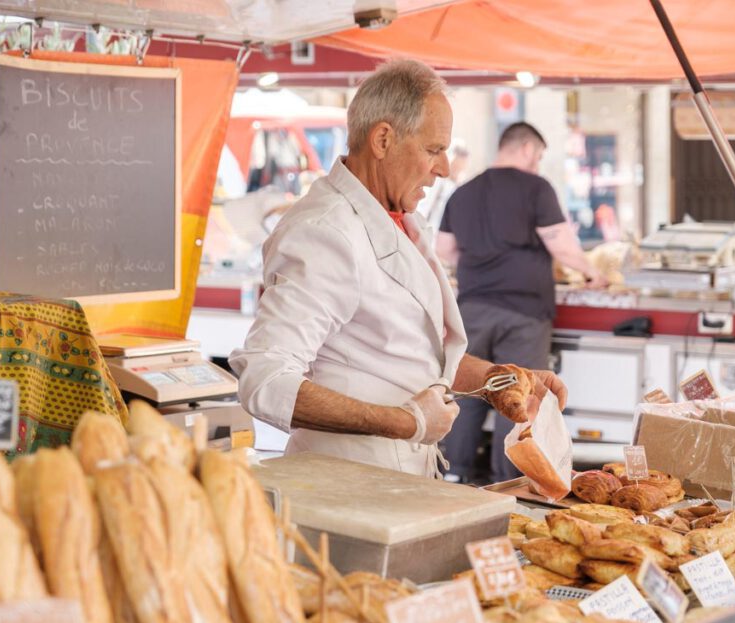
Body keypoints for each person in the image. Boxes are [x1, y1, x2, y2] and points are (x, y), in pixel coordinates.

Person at [229, 60, 566, 478]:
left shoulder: (400, 217)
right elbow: (265, 380)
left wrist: (499, 380)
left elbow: (415, 358)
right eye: (433, 150)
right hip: (346, 487)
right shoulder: (324, 232)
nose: (443, 168)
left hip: (400, 485)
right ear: (383, 139)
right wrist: (408, 422)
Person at [435, 122, 607, 484]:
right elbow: (560, 244)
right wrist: (593, 273)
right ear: (527, 149)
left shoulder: (463, 192)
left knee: (465, 391)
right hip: (523, 313)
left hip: (472, 308)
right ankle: (509, 483)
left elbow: (444, 250)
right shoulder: (536, 189)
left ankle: (453, 475)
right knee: (518, 396)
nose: (539, 164)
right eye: (539, 156)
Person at [420, 140, 470, 231]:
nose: (458, 169)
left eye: (461, 167)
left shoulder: (462, 183)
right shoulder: (439, 181)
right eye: (457, 166)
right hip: (434, 230)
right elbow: (427, 206)